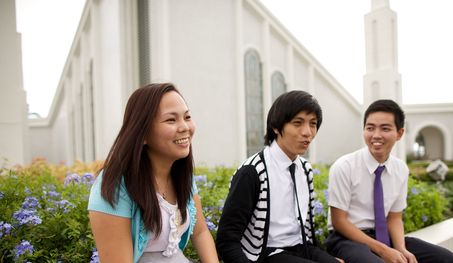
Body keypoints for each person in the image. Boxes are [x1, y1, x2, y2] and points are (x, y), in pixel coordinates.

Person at [88, 83, 218, 263]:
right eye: (171, 120)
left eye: (187, 117)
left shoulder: (182, 175)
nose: (184, 127)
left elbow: (201, 232)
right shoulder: (115, 187)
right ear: (142, 133)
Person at [216, 90, 343, 263]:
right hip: (266, 253)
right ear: (276, 126)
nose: (307, 132)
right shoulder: (252, 171)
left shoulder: (305, 168)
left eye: (313, 124)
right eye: (298, 123)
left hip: (301, 247)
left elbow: (307, 230)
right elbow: (226, 240)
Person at [325, 99, 453, 263]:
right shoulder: (344, 167)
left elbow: (394, 218)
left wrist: (401, 249)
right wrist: (384, 251)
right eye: (370, 128)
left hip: (384, 237)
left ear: (399, 133)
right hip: (346, 239)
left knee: (445, 259)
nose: (376, 135)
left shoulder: (400, 169)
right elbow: (339, 222)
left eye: (385, 128)